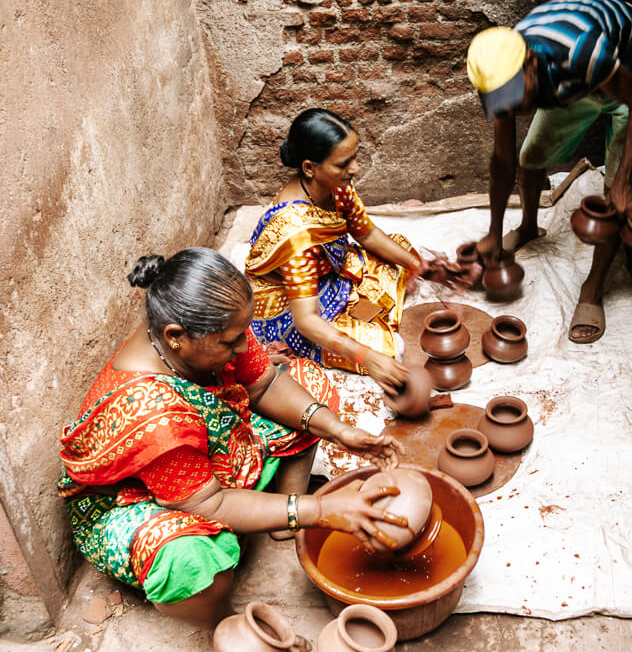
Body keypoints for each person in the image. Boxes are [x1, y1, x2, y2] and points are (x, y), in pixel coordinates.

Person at [58, 248, 407, 630]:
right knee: (190, 563)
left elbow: (266, 383)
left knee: (309, 384)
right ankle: (225, 625)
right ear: (176, 337)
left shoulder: (202, 334)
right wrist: (320, 510)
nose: (244, 347)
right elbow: (208, 504)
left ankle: (280, 516)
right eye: (231, 341)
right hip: (136, 500)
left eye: (243, 333)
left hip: (204, 459)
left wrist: (341, 432)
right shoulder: (155, 415)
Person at [466, 0, 632, 344]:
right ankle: (529, 227)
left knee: (613, 195)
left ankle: (593, 289)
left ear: (530, 64)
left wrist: (624, 182)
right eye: (503, 99)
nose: (511, 105)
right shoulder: (499, 72)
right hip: (575, 82)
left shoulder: (581, 54)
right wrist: (494, 233)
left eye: (515, 94)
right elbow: (503, 160)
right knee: (530, 160)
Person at [245, 108, 422, 393]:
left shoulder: (335, 186)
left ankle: (359, 310)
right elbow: (306, 319)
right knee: (389, 351)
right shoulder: (296, 233)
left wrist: (417, 265)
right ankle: (359, 324)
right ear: (308, 168)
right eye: (343, 163)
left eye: (354, 157)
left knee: (400, 250)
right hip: (291, 308)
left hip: (330, 275)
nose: (355, 168)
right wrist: (369, 358)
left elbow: (366, 233)